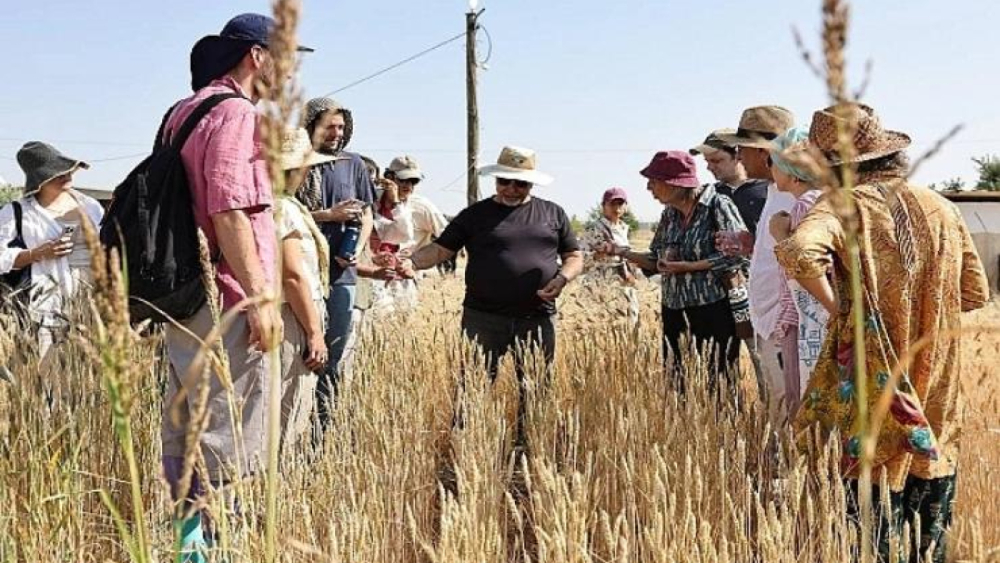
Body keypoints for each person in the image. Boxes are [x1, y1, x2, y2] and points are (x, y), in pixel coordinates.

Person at [775, 103, 990, 563]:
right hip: (938, 381)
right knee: (929, 519)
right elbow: (975, 291)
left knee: (872, 518)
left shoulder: (841, 206)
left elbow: (795, 253)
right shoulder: (943, 208)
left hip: (874, 382)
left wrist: (845, 312)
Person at [158, 13, 312, 561]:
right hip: (224, 298)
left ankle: (185, 543)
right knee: (233, 432)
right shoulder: (236, 113)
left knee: (186, 423)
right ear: (256, 56)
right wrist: (257, 298)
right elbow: (229, 209)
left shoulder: (183, 111)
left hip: (182, 295)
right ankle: (216, 549)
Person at [400, 145, 583, 447]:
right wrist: (412, 262)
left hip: (537, 318)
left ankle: (529, 450)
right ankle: (466, 449)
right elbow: (442, 249)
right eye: (504, 181)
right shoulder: (475, 215)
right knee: (472, 386)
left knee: (536, 389)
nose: (511, 188)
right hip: (483, 319)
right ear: (495, 180)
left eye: (520, 183)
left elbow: (574, 255)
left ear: (531, 184)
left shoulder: (553, 213)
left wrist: (563, 277)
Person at [605, 151, 748, 391]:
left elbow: (738, 255)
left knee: (720, 382)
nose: (649, 188)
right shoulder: (669, 214)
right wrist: (620, 251)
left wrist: (689, 267)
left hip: (713, 308)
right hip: (674, 310)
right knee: (677, 383)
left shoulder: (717, 205)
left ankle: (723, 428)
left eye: (654, 181)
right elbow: (654, 258)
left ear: (674, 183)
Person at [298, 97, 377, 431]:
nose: (336, 133)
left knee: (333, 354)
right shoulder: (295, 162)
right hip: (301, 269)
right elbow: (284, 210)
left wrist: (356, 248)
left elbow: (367, 216)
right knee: (303, 354)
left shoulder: (354, 164)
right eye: (329, 125)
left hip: (341, 273)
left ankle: (324, 429)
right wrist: (328, 216)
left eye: (341, 127)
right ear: (312, 125)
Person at [716, 106, 798, 410]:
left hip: (784, 328)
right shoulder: (775, 190)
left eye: (742, 149)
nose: (738, 156)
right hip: (770, 326)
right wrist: (750, 244)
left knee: (787, 410)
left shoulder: (796, 197)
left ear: (765, 151)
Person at [0, 142, 103, 356]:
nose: (66, 175)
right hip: (48, 302)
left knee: (94, 369)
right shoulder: (18, 212)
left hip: (95, 299)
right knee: (51, 369)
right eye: (56, 173)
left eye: (66, 169)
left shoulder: (90, 205)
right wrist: (38, 253)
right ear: (40, 180)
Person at [764, 126, 827, 413]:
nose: (770, 170)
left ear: (791, 171)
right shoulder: (822, 201)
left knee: (799, 397)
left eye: (773, 163)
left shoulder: (804, 206)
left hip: (804, 317)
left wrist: (780, 236)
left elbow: (801, 264)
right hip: (814, 315)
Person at [276, 128, 331, 451]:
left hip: (291, 313)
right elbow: (293, 275)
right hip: (292, 317)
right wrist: (314, 332)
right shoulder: (281, 208)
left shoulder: (282, 204)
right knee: (291, 401)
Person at [371, 155, 448, 312]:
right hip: (373, 276)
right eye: (404, 180)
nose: (408, 186)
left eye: (414, 181)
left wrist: (418, 259)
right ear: (389, 178)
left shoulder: (421, 206)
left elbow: (448, 236)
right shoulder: (372, 200)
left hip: (403, 280)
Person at [690, 128, 770, 237]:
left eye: (716, 161)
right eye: (707, 161)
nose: (709, 167)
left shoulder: (770, 190)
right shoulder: (707, 197)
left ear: (738, 156)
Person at [579, 187, 640, 326]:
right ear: (603, 206)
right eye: (612, 203)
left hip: (623, 280)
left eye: (620, 203)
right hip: (600, 282)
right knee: (602, 324)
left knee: (628, 323)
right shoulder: (594, 229)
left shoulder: (624, 227)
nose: (617, 208)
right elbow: (581, 259)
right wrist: (599, 254)